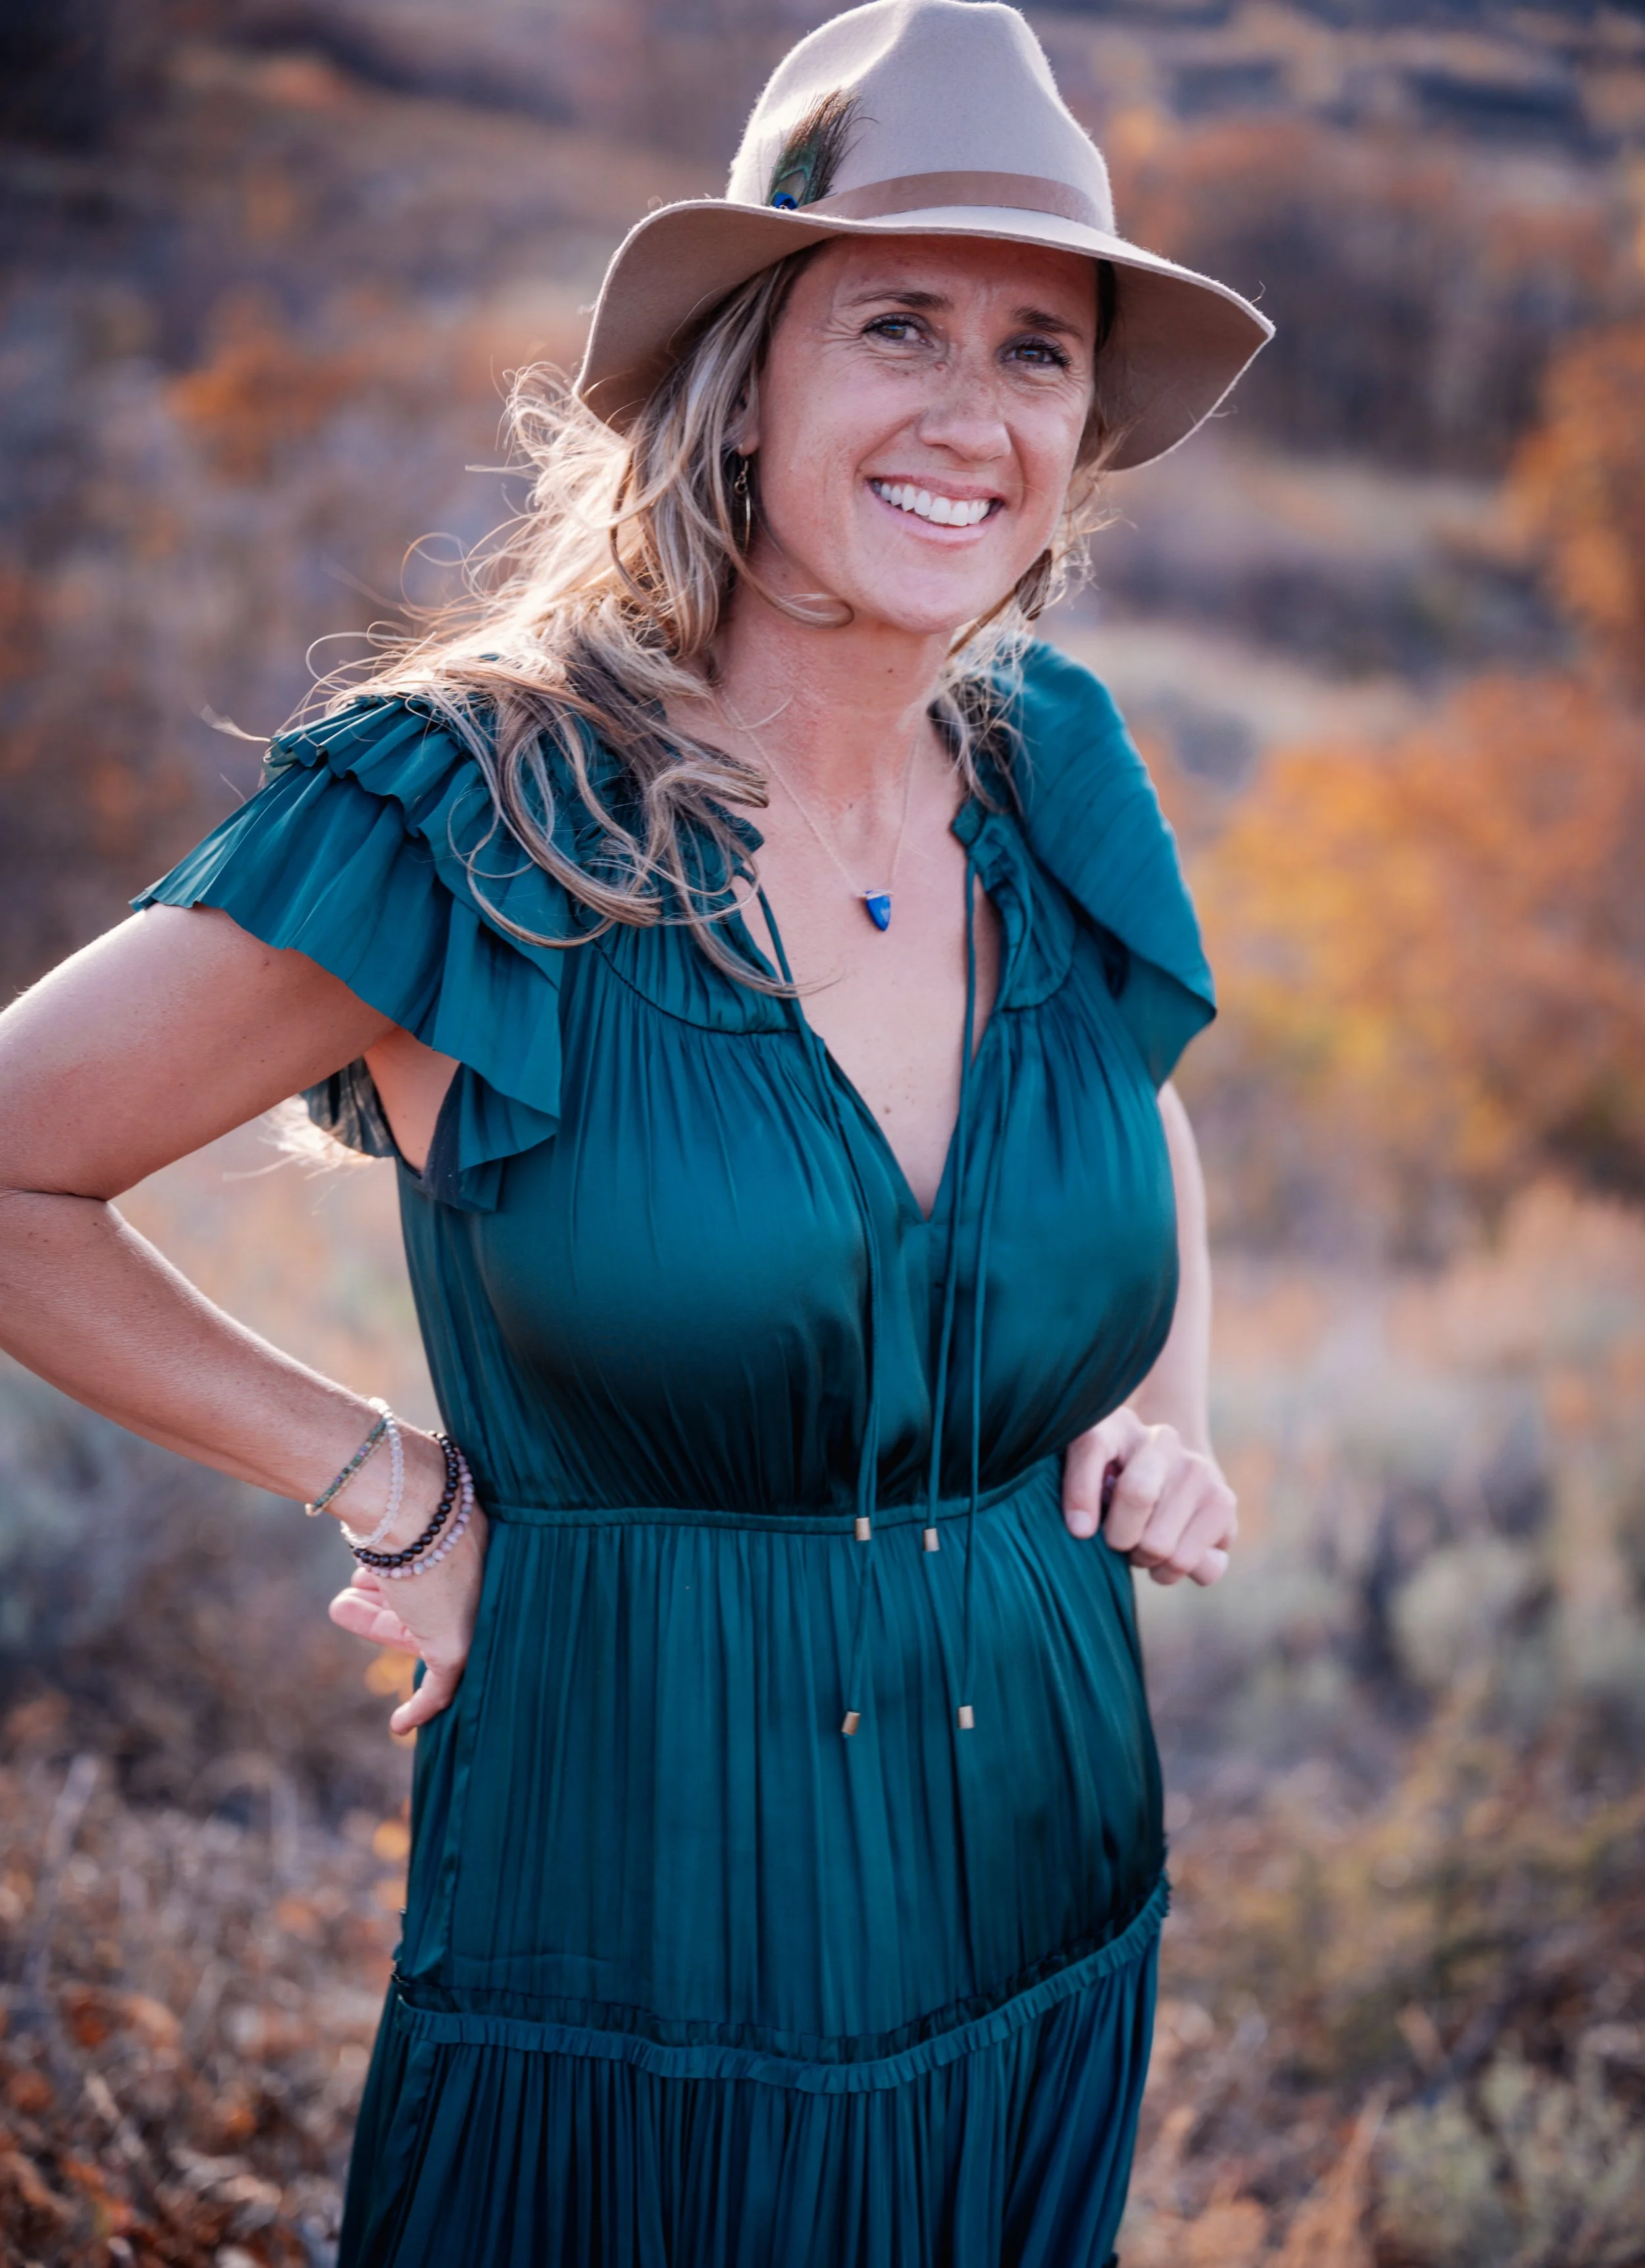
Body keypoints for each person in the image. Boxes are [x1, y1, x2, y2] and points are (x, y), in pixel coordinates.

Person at [0, 4, 1271, 2261]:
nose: (972, 419)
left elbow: (1124, 1127)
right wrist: (378, 1470)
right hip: (643, 1915)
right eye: (898, 324)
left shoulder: (1050, 766)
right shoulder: (465, 812)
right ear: (744, 367)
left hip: (1049, 1867)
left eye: (1037, 353)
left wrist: (1158, 1413)